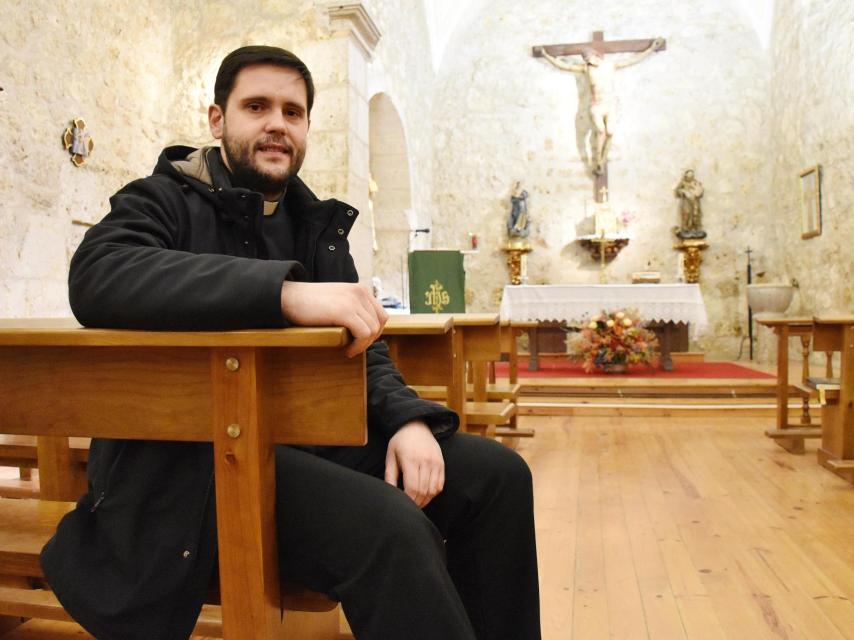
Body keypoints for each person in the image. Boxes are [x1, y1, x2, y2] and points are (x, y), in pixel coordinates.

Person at [40, 46, 540, 640]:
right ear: (217, 119)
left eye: (293, 111)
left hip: (302, 442)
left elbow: (364, 344)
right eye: (256, 106)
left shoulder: (315, 225)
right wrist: (283, 293)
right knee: (391, 526)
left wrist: (407, 420)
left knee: (497, 478)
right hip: (191, 466)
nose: (277, 123)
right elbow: (98, 273)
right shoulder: (163, 197)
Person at [537, 38, 665, 175]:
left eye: (589, 58)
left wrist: (651, 49)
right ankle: (598, 161)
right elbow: (563, 66)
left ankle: (602, 160)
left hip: (610, 105)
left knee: (610, 132)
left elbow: (632, 60)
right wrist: (545, 55)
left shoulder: (610, 66)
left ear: (595, 56)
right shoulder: (586, 69)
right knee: (600, 130)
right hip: (596, 106)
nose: (588, 62)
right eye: (586, 60)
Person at [674, 168, 706, 238]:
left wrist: (697, 190)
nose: (690, 178)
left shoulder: (696, 183)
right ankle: (686, 229)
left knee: (696, 215)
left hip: (695, 203)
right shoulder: (683, 183)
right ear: (686, 176)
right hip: (686, 203)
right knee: (686, 214)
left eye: (691, 176)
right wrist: (683, 191)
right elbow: (677, 191)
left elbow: (700, 192)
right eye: (688, 176)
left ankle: (696, 229)